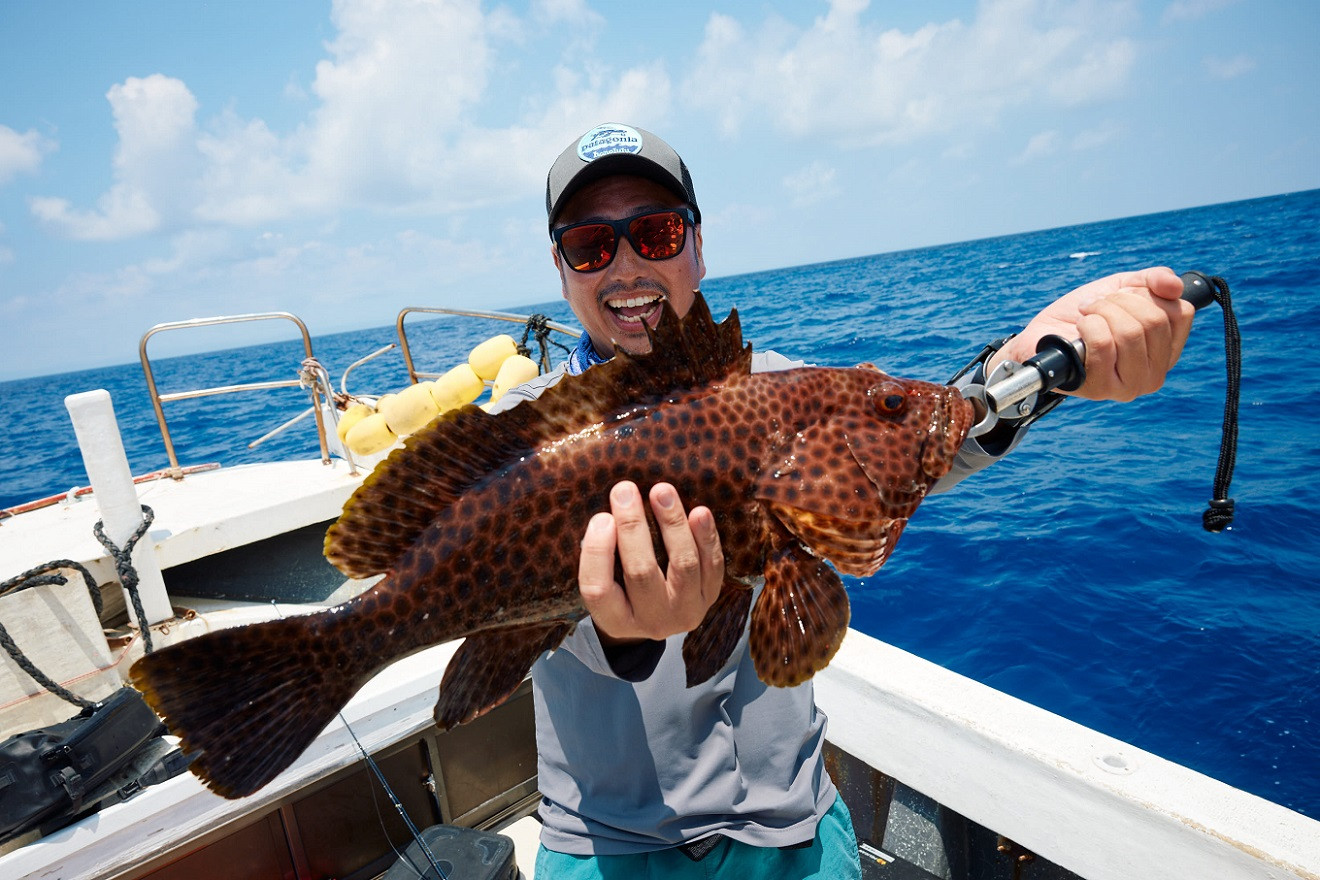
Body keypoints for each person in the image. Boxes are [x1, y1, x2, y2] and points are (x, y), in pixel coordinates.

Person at [490, 123, 1194, 879]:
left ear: (697, 246)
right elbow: (499, 604)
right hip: (605, 848)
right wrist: (617, 631)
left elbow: (919, 434)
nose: (627, 264)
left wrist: (1033, 366)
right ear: (561, 269)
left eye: (657, 233)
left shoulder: (782, 391)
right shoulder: (518, 448)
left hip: (794, 833)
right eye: (592, 245)